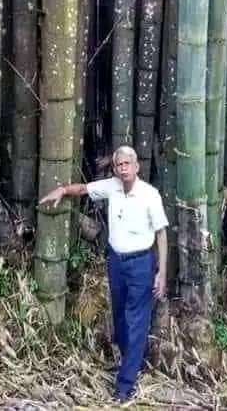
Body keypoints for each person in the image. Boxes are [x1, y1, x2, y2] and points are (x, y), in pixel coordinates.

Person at [39, 145, 168, 402]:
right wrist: (63, 190)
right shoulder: (112, 186)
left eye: (127, 164)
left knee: (136, 320)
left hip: (141, 263)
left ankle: (124, 386)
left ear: (136, 166)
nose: (123, 169)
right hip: (116, 262)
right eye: (119, 165)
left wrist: (161, 273)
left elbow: (162, 233)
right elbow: (84, 189)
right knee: (120, 316)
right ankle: (135, 362)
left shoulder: (150, 195)